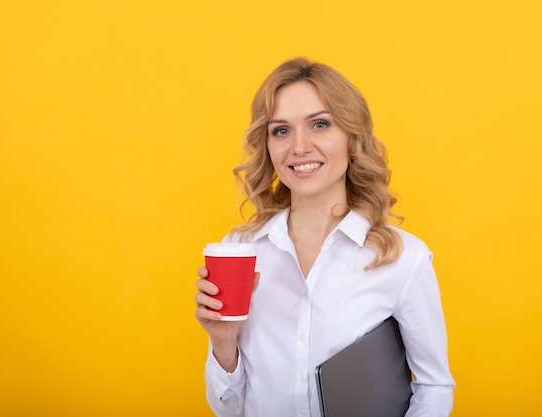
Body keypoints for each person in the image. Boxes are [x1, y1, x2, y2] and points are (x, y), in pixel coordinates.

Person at [195, 57, 455, 417]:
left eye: (320, 124)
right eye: (281, 130)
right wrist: (223, 343)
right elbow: (230, 410)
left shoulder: (402, 258)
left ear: (352, 137)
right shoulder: (241, 250)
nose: (299, 147)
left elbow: (434, 388)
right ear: (268, 145)